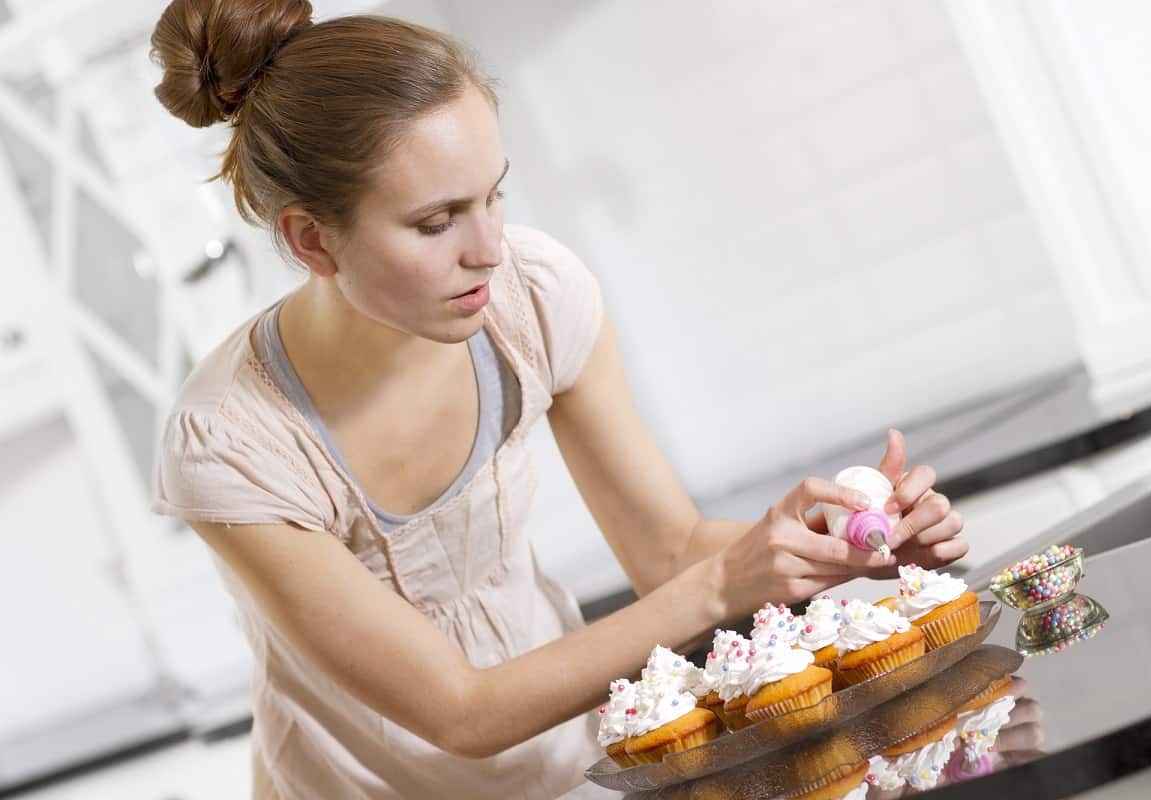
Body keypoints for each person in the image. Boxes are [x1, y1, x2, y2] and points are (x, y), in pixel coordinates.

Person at [148, 2, 968, 797]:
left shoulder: (531, 298)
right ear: (310, 238)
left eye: (493, 195)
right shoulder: (230, 443)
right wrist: (726, 586)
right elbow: (461, 712)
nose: (489, 246)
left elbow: (670, 549)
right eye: (437, 222)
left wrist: (838, 544)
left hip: (576, 772)